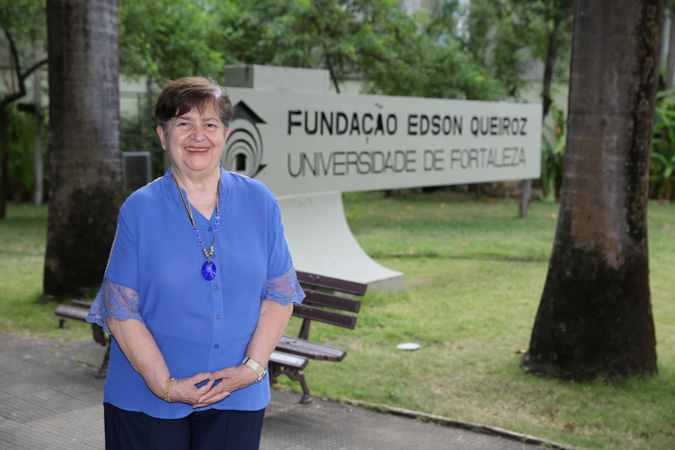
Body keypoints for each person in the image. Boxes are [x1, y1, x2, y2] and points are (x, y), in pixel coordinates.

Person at [87, 76, 305, 450]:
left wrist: (251, 369)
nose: (198, 135)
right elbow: (120, 310)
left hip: (237, 395)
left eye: (210, 124)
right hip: (148, 399)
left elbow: (280, 292)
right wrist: (166, 386)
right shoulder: (139, 209)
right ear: (163, 135)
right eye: (184, 123)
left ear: (226, 134)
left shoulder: (260, 201)